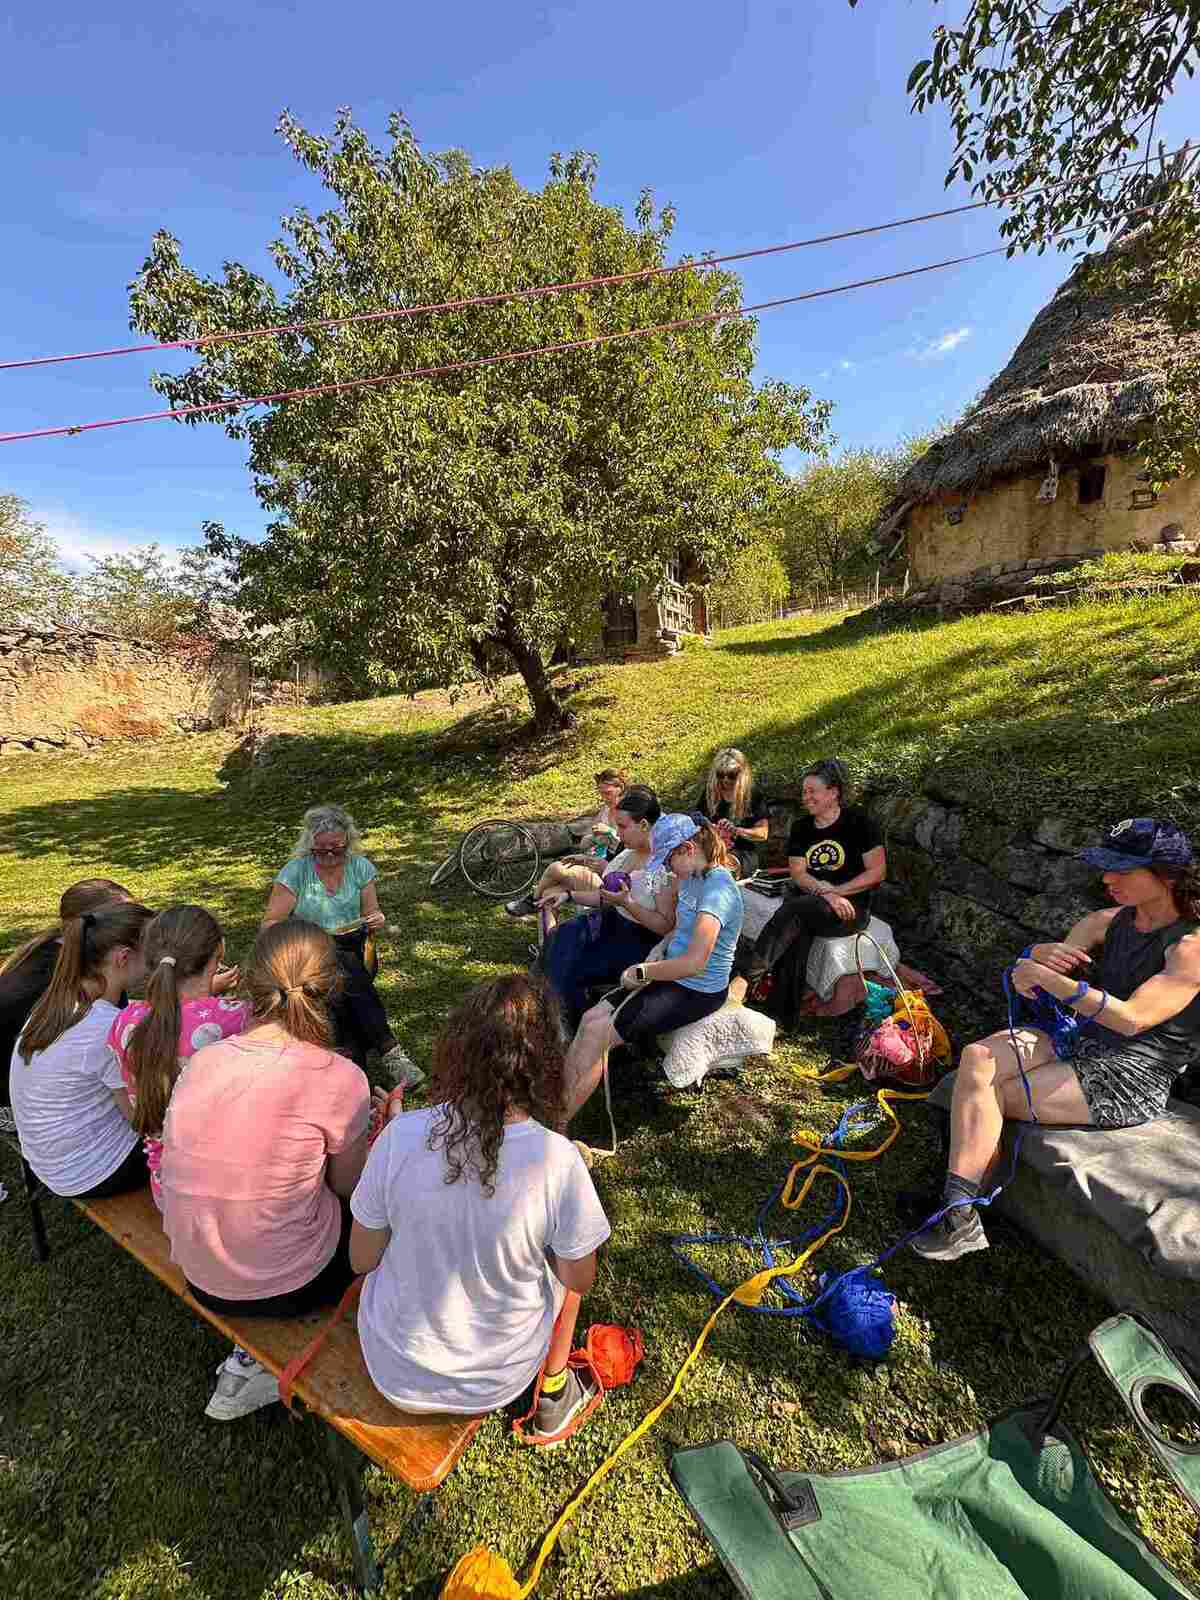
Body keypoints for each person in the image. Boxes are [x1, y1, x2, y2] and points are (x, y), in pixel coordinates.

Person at [914, 818, 1200, 1263]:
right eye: (1106, 868)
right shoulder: (1104, 922)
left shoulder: (1190, 949)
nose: (1107, 879)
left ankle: (958, 1208)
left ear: (1166, 876)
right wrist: (1033, 961)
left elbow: (1132, 1020)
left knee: (993, 1093)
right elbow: (1040, 987)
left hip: (1133, 1073)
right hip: (1078, 1039)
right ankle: (959, 1211)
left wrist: (1050, 979)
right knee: (978, 1057)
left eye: (1121, 870)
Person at [350, 975, 610, 1439]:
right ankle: (553, 1395)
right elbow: (580, 1279)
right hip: (494, 1382)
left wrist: (395, 1141)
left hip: (392, 1366)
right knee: (573, 1255)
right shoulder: (559, 1161)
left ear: (459, 1048)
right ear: (545, 1064)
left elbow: (361, 1259)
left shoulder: (400, 1136)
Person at [161, 919, 371, 1420]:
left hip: (199, 1273)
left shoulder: (203, 1062)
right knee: (381, 1218)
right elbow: (348, 1188)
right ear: (331, 988)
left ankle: (248, 1355)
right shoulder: (342, 1077)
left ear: (251, 982)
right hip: (293, 1283)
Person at [562, 813, 744, 1123]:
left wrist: (643, 971)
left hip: (697, 989)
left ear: (687, 849)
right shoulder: (691, 877)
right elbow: (678, 931)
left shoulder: (718, 891)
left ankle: (557, 1126)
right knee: (591, 1019)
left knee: (598, 1034)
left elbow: (694, 962)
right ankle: (554, 1102)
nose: (668, 869)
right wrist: (659, 951)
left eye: (669, 861)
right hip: (673, 973)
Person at [261, 803, 422, 1085]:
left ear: (348, 843)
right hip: (309, 950)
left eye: (337, 849)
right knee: (344, 970)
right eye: (321, 850)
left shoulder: (359, 867)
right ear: (310, 845)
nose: (329, 856)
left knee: (345, 978)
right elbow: (270, 924)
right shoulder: (295, 872)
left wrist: (377, 919)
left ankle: (350, 1062)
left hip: (356, 945)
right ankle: (389, 1051)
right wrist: (306, 935)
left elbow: (372, 912)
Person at [10, 900, 155, 1199]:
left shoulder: (58, 1003)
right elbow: (142, 1121)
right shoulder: (107, 1029)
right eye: (152, 952)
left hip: (50, 1163)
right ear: (123, 957)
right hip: (94, 1173)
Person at [107, 906, 250, 1208]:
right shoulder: (238, 1019)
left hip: (168, 1192)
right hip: (231, 1191)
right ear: (219, 951)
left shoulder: (124, 1022)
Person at [728, 759, 886, 1018]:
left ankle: (745, 979)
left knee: (795, 911)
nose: (806, 797)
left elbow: (877, 872)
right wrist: (826, 893)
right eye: (804, 792)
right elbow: (798, 873)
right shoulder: (802, 827)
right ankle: (782, 1014)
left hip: (850, 909)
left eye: (813, 791)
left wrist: (837, 893)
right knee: (797, 926)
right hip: (811, 902)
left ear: (833, 792)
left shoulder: (860, 823)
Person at [0, 877, 132, 1131]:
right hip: (21, 1105)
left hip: (22, 1084)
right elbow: (120, 1040)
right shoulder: (87, 973)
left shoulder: (50, 951)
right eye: (126, 919)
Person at [540, 786, 676, 1031]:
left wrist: (627, 903)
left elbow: (666, 925)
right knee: (559, 939)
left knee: (568, 964)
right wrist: (568, 896)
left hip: (638, 941)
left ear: (644, 825)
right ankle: (554, 1018)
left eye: (622, 827)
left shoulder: (664, 865)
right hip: (609, 922)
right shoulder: (629, 852)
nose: (618, 834)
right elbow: (606, 898)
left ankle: (565, 1026)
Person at [505, 768, 629, 918]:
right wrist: (592, 839)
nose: (604, 798)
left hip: (612, 874)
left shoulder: (628, 813)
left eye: (607, 793)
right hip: (598, 861)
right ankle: (546, 928)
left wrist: (610, 833)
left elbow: (628, 847)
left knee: (556, 868)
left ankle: (531, 901)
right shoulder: (605, 811)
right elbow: (587, 841)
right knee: (548, 894)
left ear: (620, 788)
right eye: (601, 793)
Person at [695, 748, 769, 880]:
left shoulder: (752, 795)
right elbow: (696, 822)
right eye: (720, 774)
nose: (725, 780)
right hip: (711, 850)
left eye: (732, 775)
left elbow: (763, 833)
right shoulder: (710, 793)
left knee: (718, 871)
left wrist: (736, 830)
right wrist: (711, 828)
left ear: (742, 773)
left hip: (741, 853)